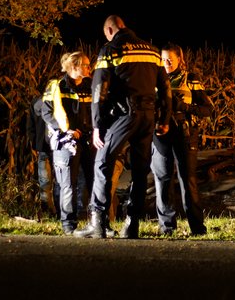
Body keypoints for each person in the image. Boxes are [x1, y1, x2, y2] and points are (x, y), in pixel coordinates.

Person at [74, 15, 172, 239]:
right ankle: (132, 224)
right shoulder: (152, 51)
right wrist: (164, 118)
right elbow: (165, 88)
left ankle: (97, 223)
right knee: (140, 170)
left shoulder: (110, 50)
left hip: (123, 115)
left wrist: (97, 125)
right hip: (148, 117)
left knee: (102, 163)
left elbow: (98, 90)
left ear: (110, 30)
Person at [151, 42, 213, 236]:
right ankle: (167, 227)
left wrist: (184, 107)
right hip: (160, 134)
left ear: (180, 59)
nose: (167, 63)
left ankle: (197, 228)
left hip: (184, 133)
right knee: (162, 179)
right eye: (163, 59)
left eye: (171, 59)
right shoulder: (153, 80)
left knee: (188, 180)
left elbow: (208, 110)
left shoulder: (190, 79)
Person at [41, 51, 95, 235]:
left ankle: (95, 224)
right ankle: (69, 226)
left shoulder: (90, 85)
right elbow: (46, 113)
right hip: (66, 142)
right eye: (86, 65)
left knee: (95, 182)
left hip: (88, 141)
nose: (90, 68)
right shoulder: (56, 86)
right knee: (68, 185)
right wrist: (67, 130)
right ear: (74, 67)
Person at [26, 94, 59, 217]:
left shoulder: (37, 102)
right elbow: (31, 127)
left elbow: (30, 127)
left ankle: (50, 212)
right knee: (58, 182)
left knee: (45, 182)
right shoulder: (59, 100)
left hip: (44, 147)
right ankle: (55, 212)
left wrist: (35, 144)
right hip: (55, 148)